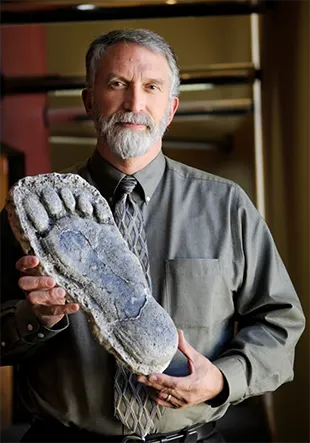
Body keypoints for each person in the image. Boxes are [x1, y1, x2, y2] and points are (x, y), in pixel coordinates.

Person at [0, 28, 305, 443]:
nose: (134, 103)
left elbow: (280, 322)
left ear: (171, 107)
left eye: (151, 87)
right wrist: (35, 319)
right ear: (90, 102)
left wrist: (220, 379)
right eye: (116, 84)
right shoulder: (40, 213)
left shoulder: (226, 205)